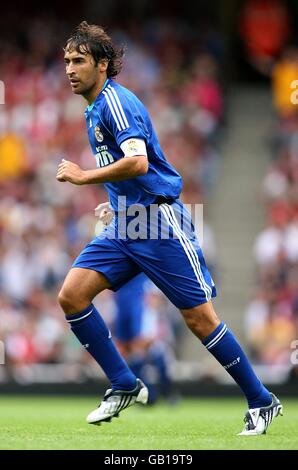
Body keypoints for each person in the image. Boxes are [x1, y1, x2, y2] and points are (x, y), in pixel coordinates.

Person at [57, 21, 283, 435]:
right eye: (67, 61)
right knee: (71, 296)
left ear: (103, 65)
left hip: (157, 222)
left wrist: (82, 175)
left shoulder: (115, 102)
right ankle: (123, 382)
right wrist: (113, 203)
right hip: (126, 222)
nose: (70, 68)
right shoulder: (93, 107)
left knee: (200, 319)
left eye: (79, 60)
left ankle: (261, 400)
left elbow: (139, 162)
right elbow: (129, 173)